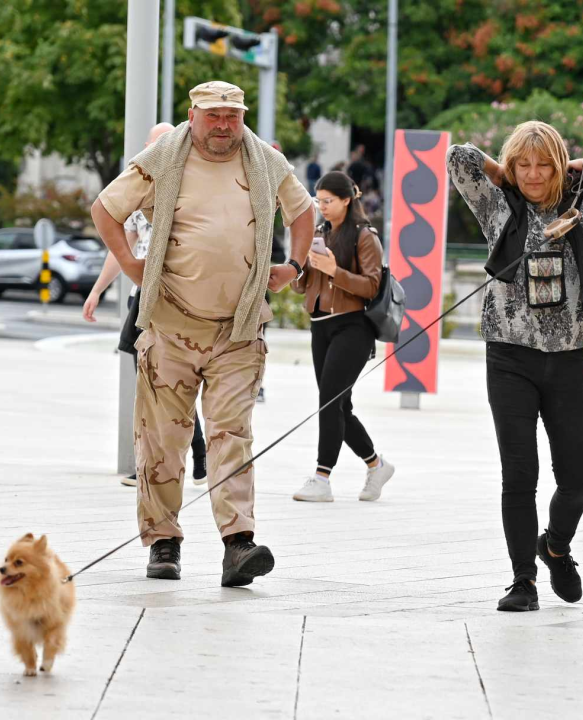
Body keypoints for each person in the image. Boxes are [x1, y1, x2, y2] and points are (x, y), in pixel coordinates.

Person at [90, 80, 314, 586]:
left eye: (232, 116)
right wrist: (130, 264)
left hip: (238, 330)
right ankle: (163, 543)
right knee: (162, 441)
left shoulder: (263, 160)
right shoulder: (163, 157)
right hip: (170, 325)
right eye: (213, 115)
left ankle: (239, 544)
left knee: (231, 434)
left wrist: (294, 265)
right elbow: (106, 208)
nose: (222, 125)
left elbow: (303, 211)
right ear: (193, 115)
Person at [447, 121, 583, 612]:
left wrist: (578, 166)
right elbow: (459, 158)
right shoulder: (497, 207)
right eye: (524, 164)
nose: (534, 174)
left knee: (578, 476)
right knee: (519, 474)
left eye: (544, 163)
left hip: (570, 358)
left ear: (559, 165)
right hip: (509, 356)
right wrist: (502, 172)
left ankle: (554, 546)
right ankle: (522, 581)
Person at [83, 123, 208, 489]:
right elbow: (124, 247)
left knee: (169, 379)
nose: (147, 148)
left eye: (154, 143)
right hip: (144, 294)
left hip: (176, 291)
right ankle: (166, 458)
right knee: (151, 377)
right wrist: (96, 291)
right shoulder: (139, 189)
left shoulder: (189, 185)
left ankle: (181, 456)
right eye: (148, 143)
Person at [290, 171, 395, 502]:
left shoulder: (364, 237)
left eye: (328, 201)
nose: (321, 207)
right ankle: (376, 465)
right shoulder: (317, 232)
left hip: (353, 326)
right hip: (320, 324)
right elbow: (300, 285)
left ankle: (322, 478)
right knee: (339, 405)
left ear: (347, 200)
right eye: (318, 200)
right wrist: (303, 266)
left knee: (330, 401)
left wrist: (335, 271)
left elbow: (371, 286)